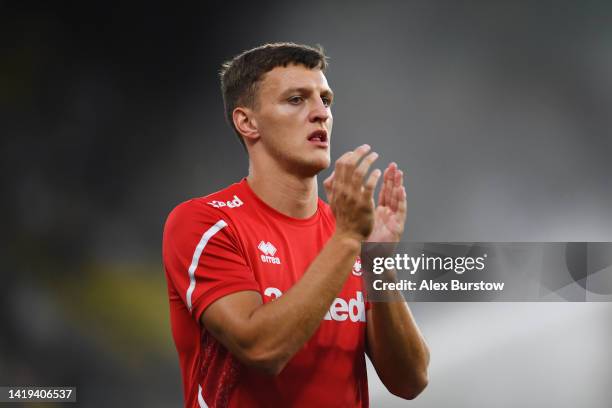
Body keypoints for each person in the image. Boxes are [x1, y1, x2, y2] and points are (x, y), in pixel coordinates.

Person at [162, 42, 430, 408]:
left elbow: (410, 381)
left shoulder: (346, 236)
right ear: (247, 122)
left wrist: (376, 258)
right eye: (296, 100)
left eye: (326, 99)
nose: (321, 113)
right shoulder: (206, 223)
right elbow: (261, 349)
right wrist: (349, 239)